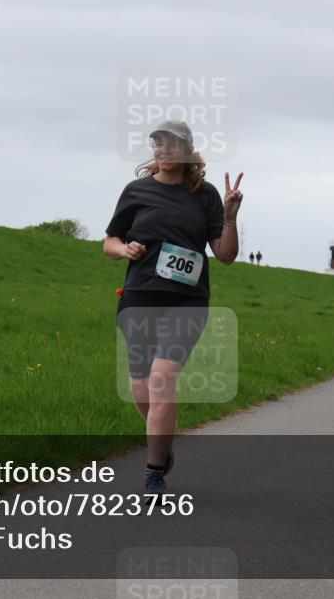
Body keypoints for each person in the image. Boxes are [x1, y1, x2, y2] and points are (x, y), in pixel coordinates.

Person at [104, 119, 243, 496]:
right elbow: (110, 241)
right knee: (140, 386)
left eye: (172, 144)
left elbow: (226, 255)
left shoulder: (205, 195)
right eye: (158, 144)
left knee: (162, 379)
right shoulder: (136, 191)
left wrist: (230, 216)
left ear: (187, 151)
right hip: (139, 297)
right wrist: (124, 249)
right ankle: (162, 445)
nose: (163, 150)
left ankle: (154, 474)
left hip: (187, 301)